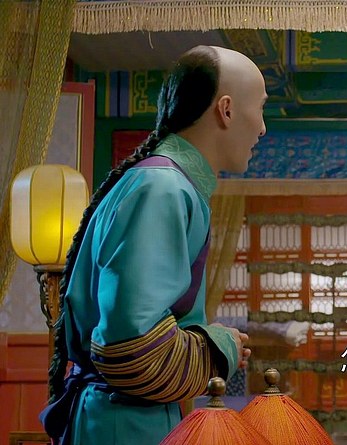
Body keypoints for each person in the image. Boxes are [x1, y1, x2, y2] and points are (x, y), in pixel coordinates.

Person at [40, 45, 267, 445]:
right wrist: (222, 346)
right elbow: (132, 351)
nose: (263, 128)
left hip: (130, 417)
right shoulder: (162, 188)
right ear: (227, 110)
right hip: (123, 423)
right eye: (260, 109)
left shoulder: (168, 184)